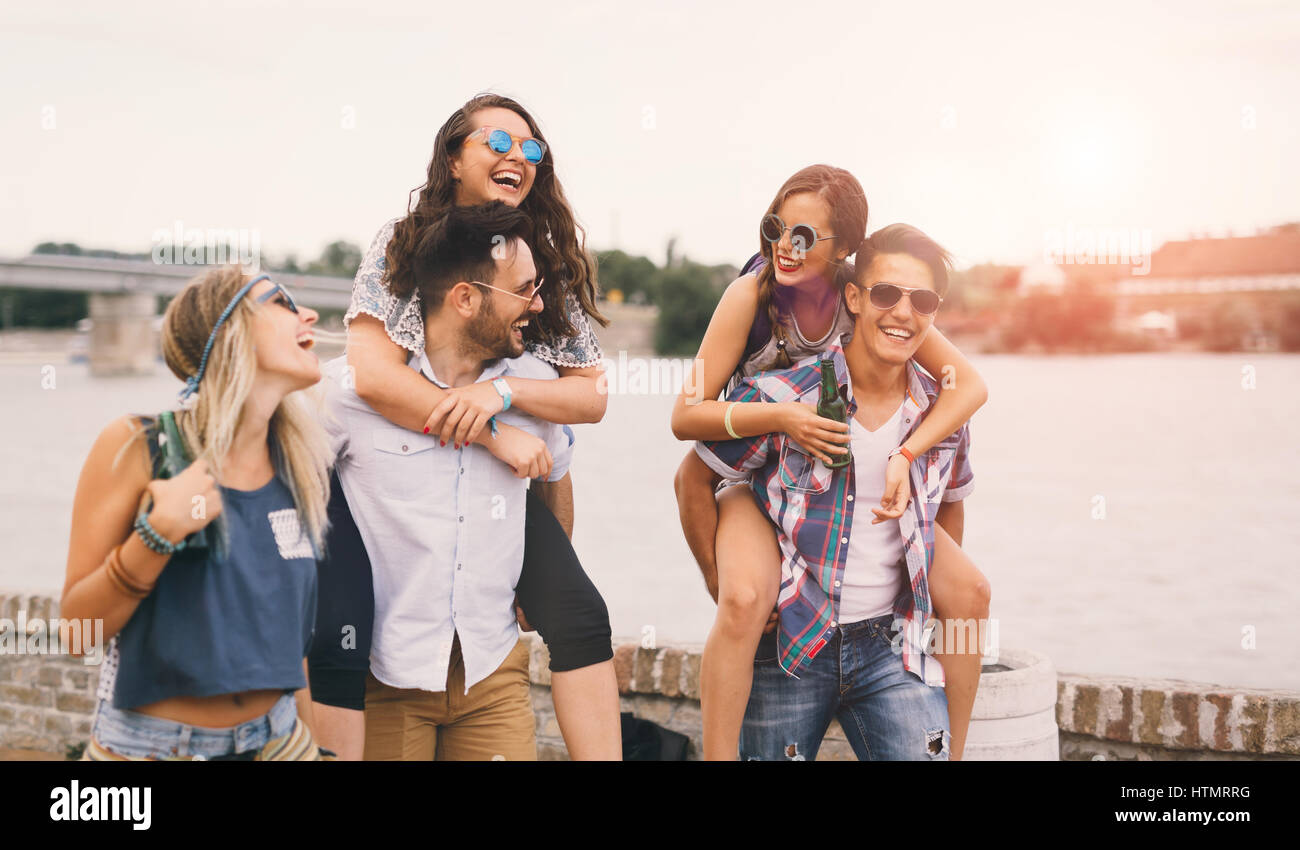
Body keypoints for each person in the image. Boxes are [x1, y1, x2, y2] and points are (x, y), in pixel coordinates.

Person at [309, 93, 620, 760]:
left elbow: (590, 399)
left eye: (533, 149)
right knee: (339, 621)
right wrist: (488, 426)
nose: (520, 157)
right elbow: (371, 374)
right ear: (453, 159)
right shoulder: (406, 243)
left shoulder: (539, 264)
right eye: (499, 143)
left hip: (495, 495)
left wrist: (503, 391)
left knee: (580, 614)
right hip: (403, 447)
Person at [671, 165, 991, 760]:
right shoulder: (755, 293)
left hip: (871, 607)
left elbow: (968, 386)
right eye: (775, 230)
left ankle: (952, 750)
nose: (783, 248)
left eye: (803, 237)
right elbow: (686, 424)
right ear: (856, 295)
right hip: (758, 456)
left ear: (843, 253)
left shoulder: (892, 311)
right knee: (743, 600)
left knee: (970, 588)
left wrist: (906, 452)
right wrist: (784, 418)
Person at [319, 201, 574, 760]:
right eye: (524, 290)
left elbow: (556, 473)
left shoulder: (534, 385)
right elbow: (284, 486)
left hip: (494, 673)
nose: (537, 305)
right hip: (386, 676)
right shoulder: (345, 395)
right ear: (465, 298)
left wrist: (546, 579)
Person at [61, 266, 332, 760]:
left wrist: (314, 748)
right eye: (280, 302)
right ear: (229, 332)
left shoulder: (300, 468)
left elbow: (293, 651)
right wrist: (156, 534)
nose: (308, 314)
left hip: (279, 741)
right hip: (154, 750)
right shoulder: (138, 446)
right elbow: (79, 634)